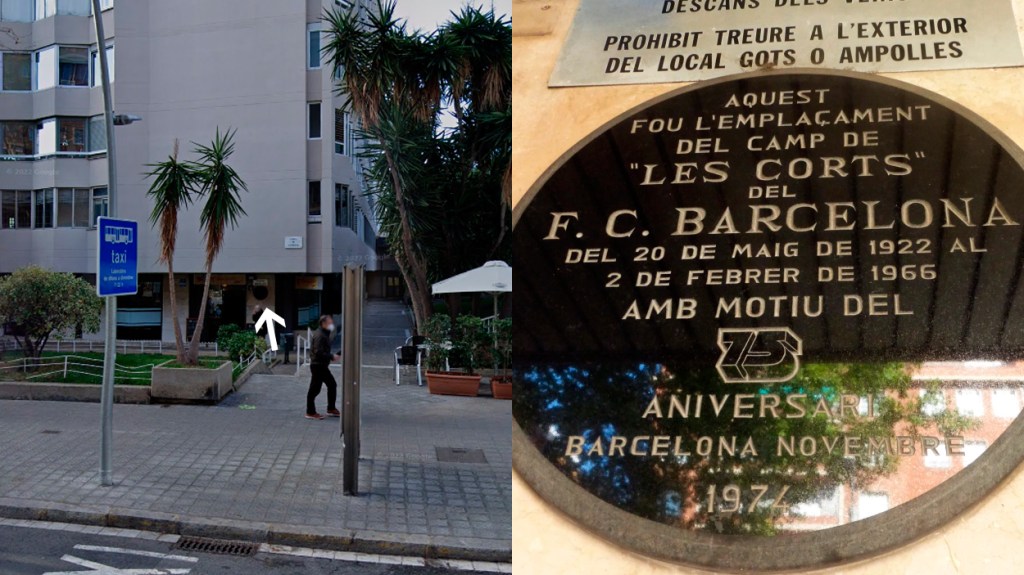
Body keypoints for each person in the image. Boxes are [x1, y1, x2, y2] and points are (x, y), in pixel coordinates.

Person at [306, 314, 340, 420]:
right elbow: (318, 352)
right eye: (330, 323)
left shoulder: (324, 333)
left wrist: (331, 356)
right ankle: (310, 412)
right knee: (315, 389)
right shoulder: (320, 335)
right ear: (323, 324)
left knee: (331, 385)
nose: (332, 325)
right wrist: (331, 356)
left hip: (321, 365)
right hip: (318, 365)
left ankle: (331, 408)